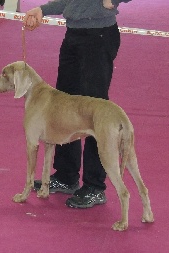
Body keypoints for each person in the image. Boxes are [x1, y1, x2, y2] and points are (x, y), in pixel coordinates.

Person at [23, 0, 132, 208]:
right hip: (73, 35)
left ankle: (94, 186)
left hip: (99, 35)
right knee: (63, 107)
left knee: (94, 112)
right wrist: (43, 10)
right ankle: (66, 175)